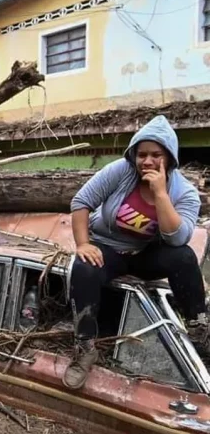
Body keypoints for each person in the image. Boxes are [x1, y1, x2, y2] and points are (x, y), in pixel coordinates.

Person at [65, 115, 208, 390]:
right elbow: (81, 202)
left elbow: (176, 238)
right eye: (142, 154)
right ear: (133, 155)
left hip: (146, 254)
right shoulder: (120, 171)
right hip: (108, 248)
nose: (147, 161)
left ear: (170, 157)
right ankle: (85, 346)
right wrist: (83, 243)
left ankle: (199, 331)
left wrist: (162, 195)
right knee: (82, 266)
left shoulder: (185, 193)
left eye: (156, 155)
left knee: (184, 257)